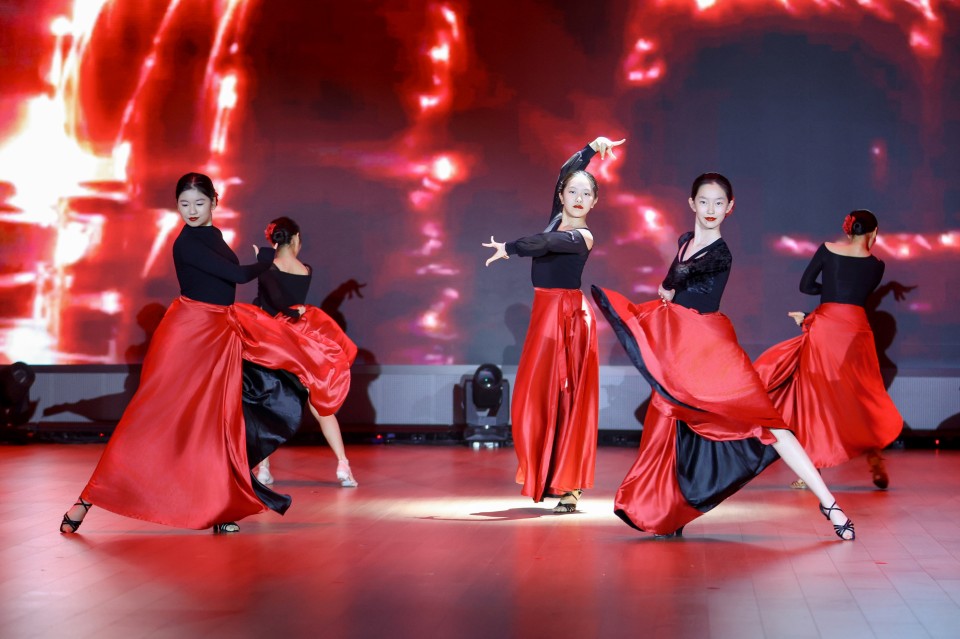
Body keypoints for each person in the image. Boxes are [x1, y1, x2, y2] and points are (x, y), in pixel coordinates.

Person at [59, 172, 353, 534]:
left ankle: (220, 508)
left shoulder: (212, 235)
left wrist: (266, 262)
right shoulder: (186, 243)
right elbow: (237, 275)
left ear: (215, 201)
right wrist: (266, 260)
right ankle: (87, 499)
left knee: (219, 422)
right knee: (150, 418)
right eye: (184, 204)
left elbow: (228, 279)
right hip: (190, 332)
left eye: (199, 203)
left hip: (219, 329)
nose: (192, 210)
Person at [592, 173, 855, 540]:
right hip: (681, 344)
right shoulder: (685, 240)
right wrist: (669, 290)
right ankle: (667, 512)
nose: (711, 209)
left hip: (711, 347)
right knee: (672, 424)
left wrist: (668, 287)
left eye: (719, 202)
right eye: (704, 201)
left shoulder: (720, 252)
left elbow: (676, 278)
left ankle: (830, 505)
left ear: (730, 207)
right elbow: (673, 284)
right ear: (692, 203)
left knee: (769, 424)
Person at [483, 135, 624, 513]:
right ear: (561, 195)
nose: (578, 198)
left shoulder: (582, 236)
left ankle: (570, 487)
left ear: (594, 202)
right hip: (544, 312)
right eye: (572, 191)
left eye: (586, 194)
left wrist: (508, 248)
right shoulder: (557, 217)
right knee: (532, 399)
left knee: (568, 397)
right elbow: (567, 170)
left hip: (568, 317)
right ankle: (548, 474)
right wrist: (592, 148)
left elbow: (540, 245)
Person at [754, 210, 903, 490]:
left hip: (827, 328)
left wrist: (827, 293)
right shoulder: (877, 266)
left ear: (848, 229)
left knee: (816, 398)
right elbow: (857, 295)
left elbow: (806, 285)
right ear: (874, 232)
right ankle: (875, 459)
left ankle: (811, 469)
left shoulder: (827, 250)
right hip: (856, 331)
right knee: (859, 398)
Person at [245, 216, 359, 488]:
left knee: (264, 406)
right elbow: (287, 300)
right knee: (320, 405)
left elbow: (274, 301)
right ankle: (343, 465)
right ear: (296, 238)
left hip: (273, 343)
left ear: (273, 239)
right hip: (301, 342)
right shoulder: (305, 269)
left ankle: (264, 468)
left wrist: (262, 262)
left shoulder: (267, 266)